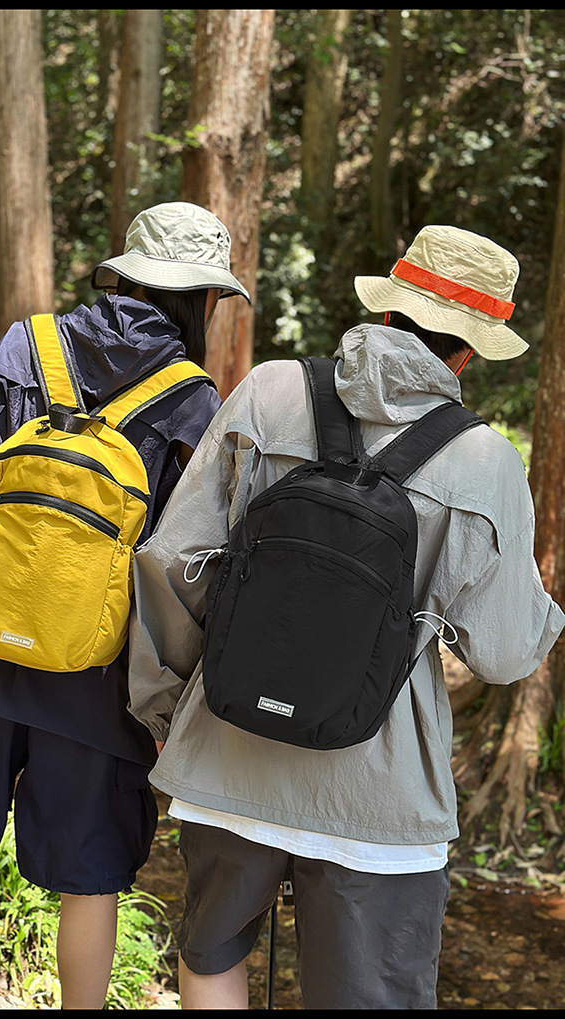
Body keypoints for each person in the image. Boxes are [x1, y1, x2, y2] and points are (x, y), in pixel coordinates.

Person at [126, 224, 565, 1010]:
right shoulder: (485, 461)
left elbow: (173, 560)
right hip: (378, 800)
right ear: (468, 352)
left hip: (227, 752)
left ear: (386, 312)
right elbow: (503, 655)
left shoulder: (268, 390)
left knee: (211, 954)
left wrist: (170, 709)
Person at [0, 202, 249, 1011]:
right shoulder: (194, 399)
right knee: (90, 871)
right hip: (97, 676)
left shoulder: (29, 343)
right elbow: (186, 557)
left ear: (124, 273)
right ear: (204, 299)